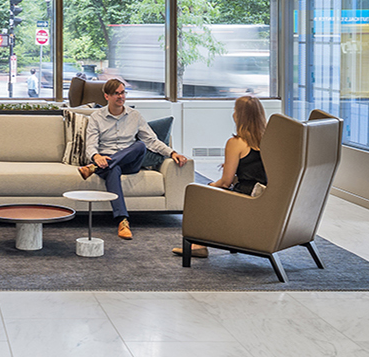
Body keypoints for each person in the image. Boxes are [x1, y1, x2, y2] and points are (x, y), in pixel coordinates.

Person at [76, 78, 190, 240]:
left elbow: (152, 140)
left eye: (123, 92)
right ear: (106, 96)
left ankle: (93, 168)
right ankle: (123, 221)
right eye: (116, 93)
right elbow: (91, 143)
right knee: (113, 169)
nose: (121, 97)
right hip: (105, 163)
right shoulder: (97, 117)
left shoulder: (135, 116)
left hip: (129, 162)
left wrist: (172, 153)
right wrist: (96, 156)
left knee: (140, 146)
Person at [175, 95, 269, 257]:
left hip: (245, 197)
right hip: (264, 196)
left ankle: (198, 245)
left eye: (235, 110)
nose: (233, 114)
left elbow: (226, 182)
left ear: (239, 115)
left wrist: (210, 187)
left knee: (201, 193)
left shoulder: (236, 142)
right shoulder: (269, 140)